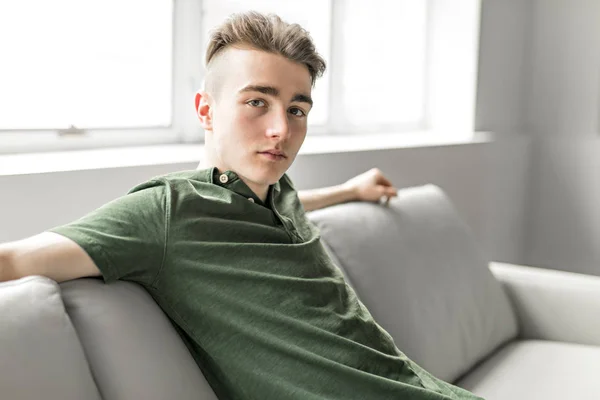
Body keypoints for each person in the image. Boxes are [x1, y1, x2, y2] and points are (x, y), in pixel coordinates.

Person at [0, 11, 483, 400]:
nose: (281, 130)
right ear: (206, 111)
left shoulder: (278, 192)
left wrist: (350, 191)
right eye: (257, 102)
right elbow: (13, 259)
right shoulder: (169, 212)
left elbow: (275, 213)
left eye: (297, 109)